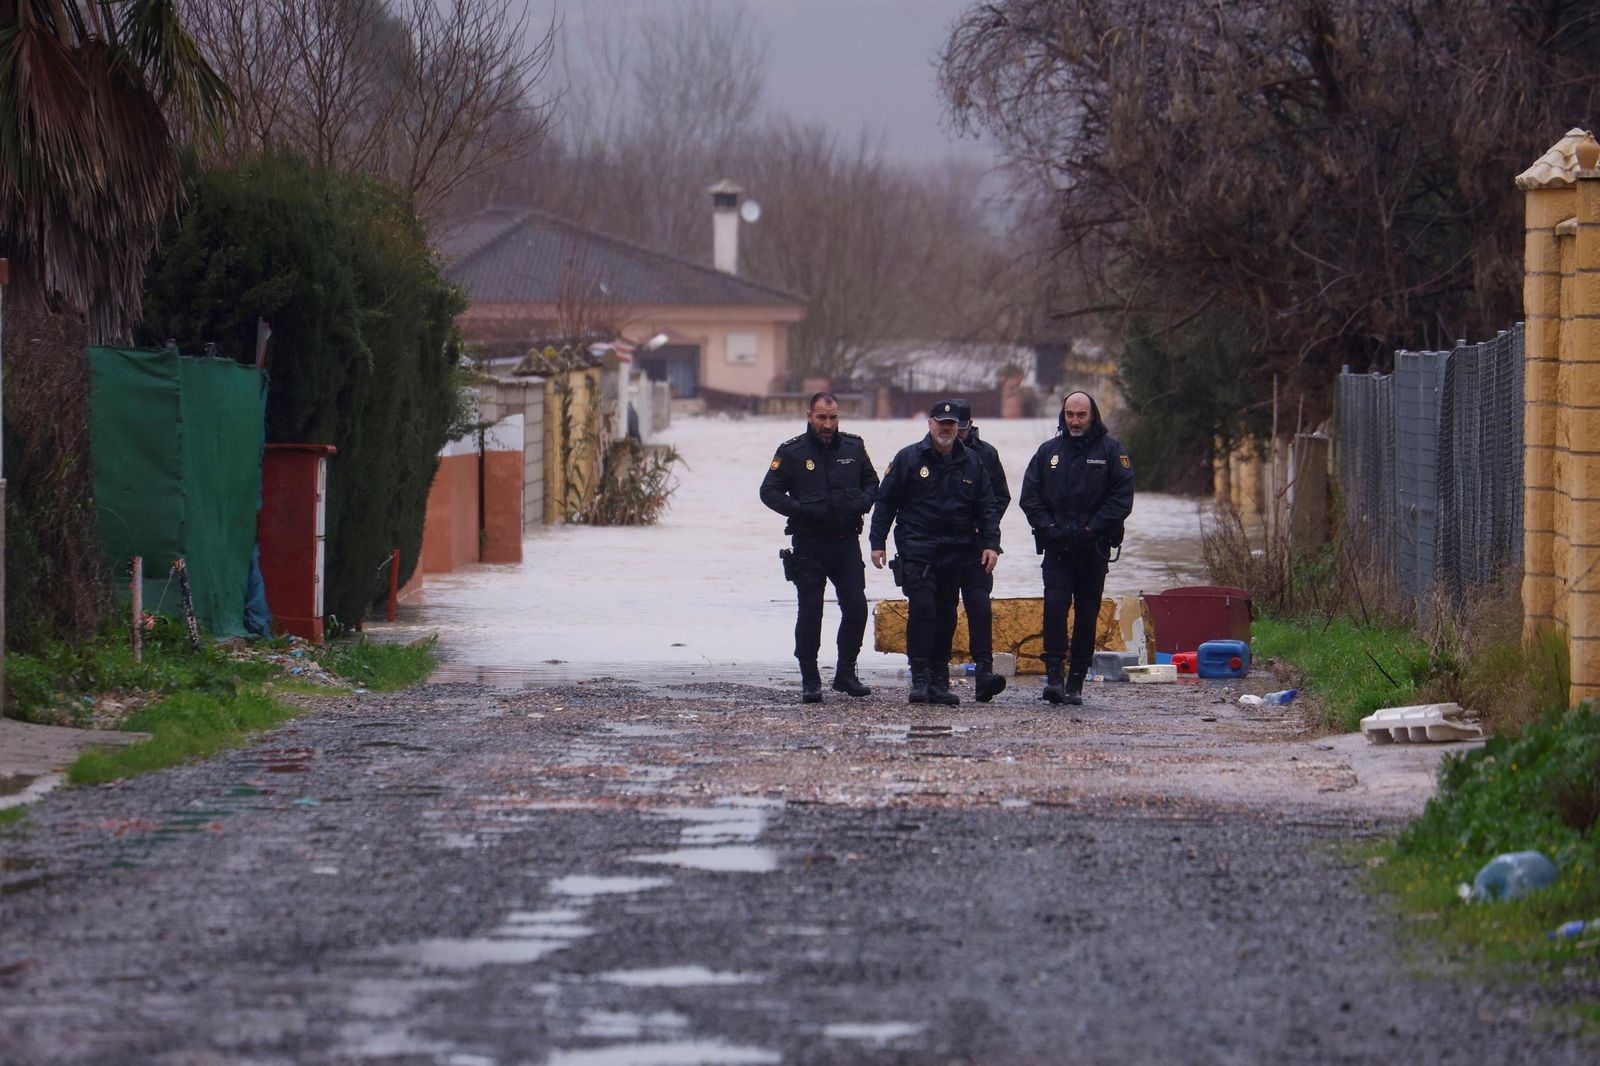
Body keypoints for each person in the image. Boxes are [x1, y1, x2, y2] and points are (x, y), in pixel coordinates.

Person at [870, 400, 1001, 705]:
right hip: (917, 549)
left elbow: (988, 506)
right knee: (923, 610)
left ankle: (940, 682)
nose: (946, 428)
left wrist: (991, 544)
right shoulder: (908, 458)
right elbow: (886, 501)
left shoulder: (972, 462)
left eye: (951, 424)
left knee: (946, 616)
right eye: (941, 423)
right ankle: (920, 679)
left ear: (959, 427)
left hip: (956, 551)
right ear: (929, 423)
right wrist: (878, 541)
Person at [760, 392, 880, 703]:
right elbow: (769, 492)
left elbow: (873, 484)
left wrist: (863, 503)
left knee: (856, 608)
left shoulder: (854, 447)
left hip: (846, 544)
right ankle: (810, 679)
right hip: (809, 545)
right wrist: (800, 509)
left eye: (833, 417)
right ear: (809, 416)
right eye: (822, 418)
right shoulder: (792, 451)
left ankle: (845, 674)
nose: (828, 424)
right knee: (810, 613)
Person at [1019, 391, 1134, 705]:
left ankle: (1076, 682)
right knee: (1055, 606)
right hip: (1057, 547)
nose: (1075, 421)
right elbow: (1029, 497)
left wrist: (1092, 527)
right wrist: (1049, 528)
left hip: (1093, 548)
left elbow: (1122, 498)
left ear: (1092, 415)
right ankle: (1054, 677)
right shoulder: (1048, 452)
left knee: (1087, 614)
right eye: (1070, 414)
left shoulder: (1111, 451)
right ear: (1063, 416)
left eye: (1080, 415)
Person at [950, 399, 1011, 702]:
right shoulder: (927, 453)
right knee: (940, 609)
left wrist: (986, 534)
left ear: (970, 424)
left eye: (961, 428)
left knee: (979, 606)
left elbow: (1000, 498)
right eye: (950, 427)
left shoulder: (986, 454)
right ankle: (931, 673)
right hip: (942, 545)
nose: (955, 433)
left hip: (976, 545)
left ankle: (983, 672)